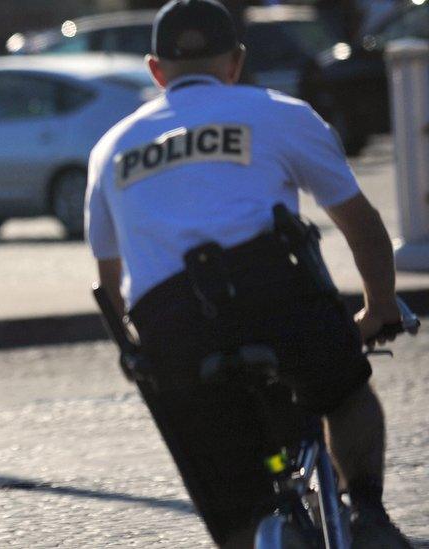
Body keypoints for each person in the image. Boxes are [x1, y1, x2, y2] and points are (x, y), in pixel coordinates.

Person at [84, 1, 412, 547]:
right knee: (344, 392)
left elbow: (109, 277)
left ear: (155, 70)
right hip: (275, 297)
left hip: (171, 328)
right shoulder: (280, 113)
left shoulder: (110, 149)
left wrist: (138, 353)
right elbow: (360, 221)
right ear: (235, 62)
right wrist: (379, 306)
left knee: (226, 482)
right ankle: (371, 517)